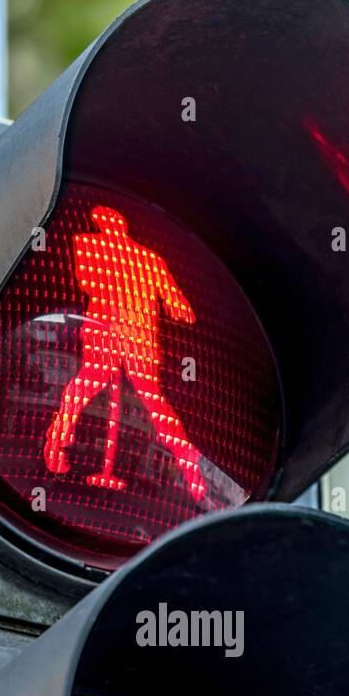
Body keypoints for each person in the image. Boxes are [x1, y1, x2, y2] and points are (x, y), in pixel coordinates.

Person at [44, 205, 206, 498]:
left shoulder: (89, 244)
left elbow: (89, 283)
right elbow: (182, 310)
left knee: (84, 386)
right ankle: (189, 466)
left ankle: (57, 442)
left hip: (106, 330)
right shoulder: (149, 259)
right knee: (153, 403)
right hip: (135, 336)